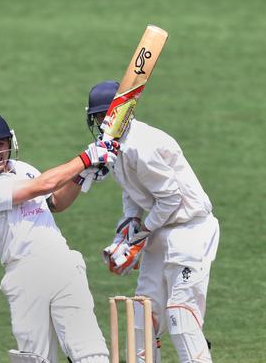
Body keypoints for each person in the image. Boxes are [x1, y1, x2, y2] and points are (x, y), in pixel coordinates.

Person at [0, 113, 118, 362]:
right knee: (36, 357)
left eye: (0, 144)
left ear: (10, 142)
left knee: (89, 349)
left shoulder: (24, 169)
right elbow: (43, 186)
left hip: (63, 263)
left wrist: (82, 175)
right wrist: (86, 158)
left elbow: (56, 201)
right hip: (25, 275)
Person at [87, 81, 219, 362]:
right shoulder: (110, 146)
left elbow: (171, 199)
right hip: (160, 229)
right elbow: (131, 189)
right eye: (100, 117)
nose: (105, 121)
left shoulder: (141, 147)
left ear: (126, 112)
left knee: (180, 318)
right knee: (142, 316)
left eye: (110, 114)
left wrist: (144, 231)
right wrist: (129, 225)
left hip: (189, 229)